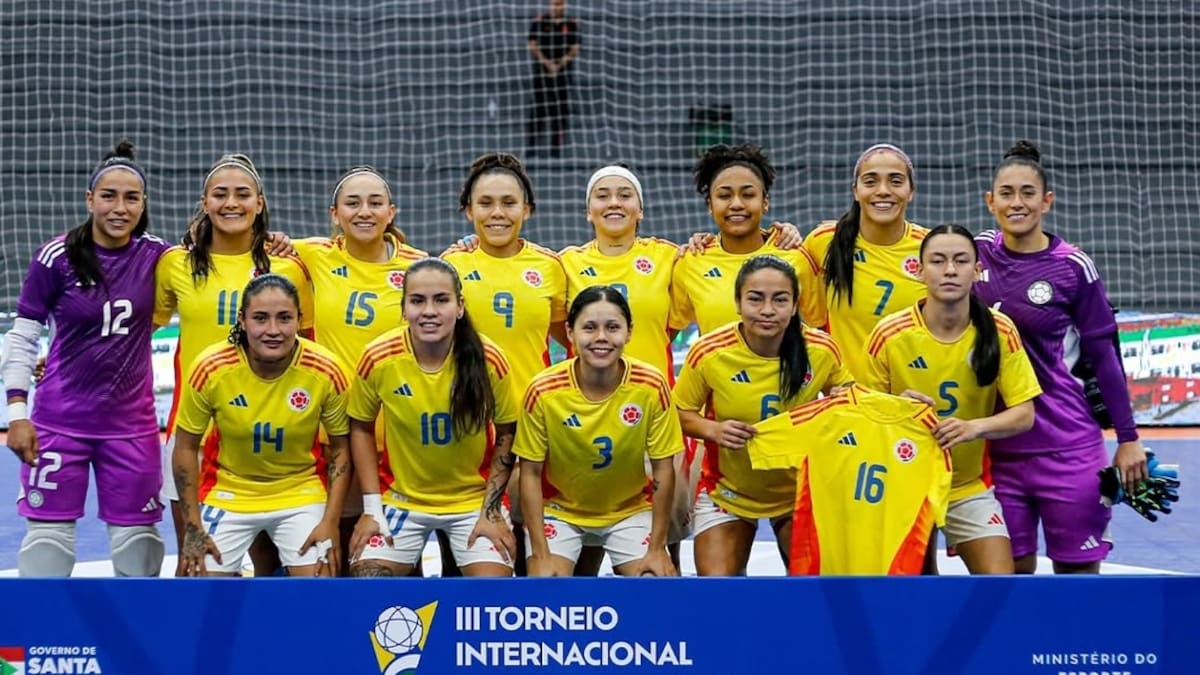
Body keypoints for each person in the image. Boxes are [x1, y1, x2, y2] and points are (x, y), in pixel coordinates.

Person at [973, 140, 1147, 574]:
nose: (1018, 203)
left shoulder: (1073, 268)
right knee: (1005, 582)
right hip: (995, 453)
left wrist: (1128, 439)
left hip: (1068, 449)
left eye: (1028, 193)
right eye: (1007, 193)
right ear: (990, 201)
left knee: (1078, 578)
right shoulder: (971, 256)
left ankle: (1076, 648)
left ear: (1047, 200)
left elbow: (1104, 356)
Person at [2, 140, 169, 577]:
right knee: (47, 548)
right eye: (109, 196)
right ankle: (39, 643)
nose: (120, 207)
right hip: (59, 424)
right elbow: (22, 338)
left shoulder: (160, 258)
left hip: (132, 428)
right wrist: (17, 413)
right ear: (89, 199)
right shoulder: (55, 258)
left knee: (140, 549)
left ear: (143, 203)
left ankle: (135, 646)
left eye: (131, 197)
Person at [155, 153, 312, 576]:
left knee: (270, 565)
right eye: (220, 194)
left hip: (268, 431)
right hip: (191, 434)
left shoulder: (287, 268)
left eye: (243, 194)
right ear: (204, 202)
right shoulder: (176, 264)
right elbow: (136, 330)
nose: (231, 203)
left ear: (259, 203)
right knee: (197, 565)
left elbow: (309, 352)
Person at [862, 224, 1043, 574]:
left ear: (977, 271)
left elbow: (1024, 414)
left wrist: (973, 428)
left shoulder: (999, 329)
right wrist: (897, 408)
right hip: (903, 485)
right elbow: (863, 414)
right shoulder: (889, 334)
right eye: (938, 261)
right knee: (914, 588)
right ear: (919, 269)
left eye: (961, 261)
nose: (949, 270)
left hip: (966, 486)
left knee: (999, 583)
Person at [673, 255, 853, 575]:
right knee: (718, 595)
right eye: (755, 299)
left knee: (815, 592)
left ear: (795, 305)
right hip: (727, 492)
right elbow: (678, 413)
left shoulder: (821, 350)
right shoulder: (709, 352)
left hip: (800, 492)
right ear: (738, 303)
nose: (767, 310)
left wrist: (852, 400)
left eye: (780, 299)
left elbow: (852, 397)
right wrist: (714, 430)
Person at [293, 166, 428, 574]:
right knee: (333, 550)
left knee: (395, 554)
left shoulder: (419, 267)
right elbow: (249, 240)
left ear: (392, 212)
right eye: (352, 203)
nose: (364, 211)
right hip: (332, 434)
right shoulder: (311, 255)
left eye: (375, 203)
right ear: (335, 214)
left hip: (400, 435)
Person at [346, 257, 517, 578]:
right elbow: (360, 427)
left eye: (441, 300)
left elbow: (508, 432)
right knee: (368, 585)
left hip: (473, 501)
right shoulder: (379, 357)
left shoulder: (489, 359)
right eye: (417, 300)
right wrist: (371, 509)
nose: (429, 311)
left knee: (492, 594)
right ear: (403, 307)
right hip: (401, 500)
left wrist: (491, 509)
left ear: (460, 306)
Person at [172, 274, 351, 577]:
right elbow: (186, 449)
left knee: (323, 583)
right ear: (242, 320)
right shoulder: (211, 368)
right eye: (260, 318)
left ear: (299, 319)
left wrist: (330, 522)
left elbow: (341, 451)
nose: (273, 330)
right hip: (230, 490)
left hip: (300, 490)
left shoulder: (325, 370)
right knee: (195, 581)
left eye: (284, 318)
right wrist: (192, 527)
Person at [515, 286, 680, 576]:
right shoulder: (542, 390)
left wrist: (656, 548)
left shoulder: (651, 386)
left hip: (628, 511)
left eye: (612, 327)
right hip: (561, 511)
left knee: (656, 584)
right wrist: (540, 553)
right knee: (545, 587)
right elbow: (529, 474)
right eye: (589, 328)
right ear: (569, 332)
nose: (601, 337)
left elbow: (664, 470)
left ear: (629, 332)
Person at [744, 384, 952, 575]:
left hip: (891, 553)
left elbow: (761, 442)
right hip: (831, 551)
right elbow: (760, 439)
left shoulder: (927, 428)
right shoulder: (831, 411)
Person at [802, 143, 929, 380]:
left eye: (895, 181)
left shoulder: (931, 248)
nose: (883, 190)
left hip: (911, 398)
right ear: (855, 191)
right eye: (870, 181)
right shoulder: (823, 241)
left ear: (911, 191)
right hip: (846, 398)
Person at [671, 144, 822, 336]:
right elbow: (665, 335)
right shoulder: (691, 261)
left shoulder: (795, 257)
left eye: (748, 195)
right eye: (724, 195)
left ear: (765, 202)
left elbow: (822, 325)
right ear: (710, 205)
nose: (736, 204)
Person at [526, 0, 580, 156]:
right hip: (542, 74)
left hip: (562, 75)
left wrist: (559, 64)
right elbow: (533, 45)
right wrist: (548, 64)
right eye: (555, 4)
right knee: (538, 110)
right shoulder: (540, 22)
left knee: (560, 111)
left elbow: (575, 48)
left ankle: (555, 148)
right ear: (550, 5)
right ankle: (532, 147)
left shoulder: (571, 24)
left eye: (560, 4)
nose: (557, 7)